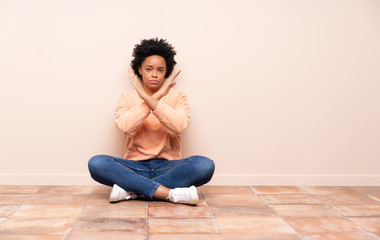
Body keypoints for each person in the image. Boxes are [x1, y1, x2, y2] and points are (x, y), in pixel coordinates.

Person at [88, 38, 215, 205]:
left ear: (166, 72)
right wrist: (153, 98)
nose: (155, 74)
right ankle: (168, 193)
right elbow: (126, 127)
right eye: (149, 69)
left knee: (204, 165)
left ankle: (133, 190)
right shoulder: (127, 97)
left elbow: (178, 127)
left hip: (170, 167)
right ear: (140, 70)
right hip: (134, 167)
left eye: (160, 70)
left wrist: (153, 100)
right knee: (97, 163)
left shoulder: (178, 97)